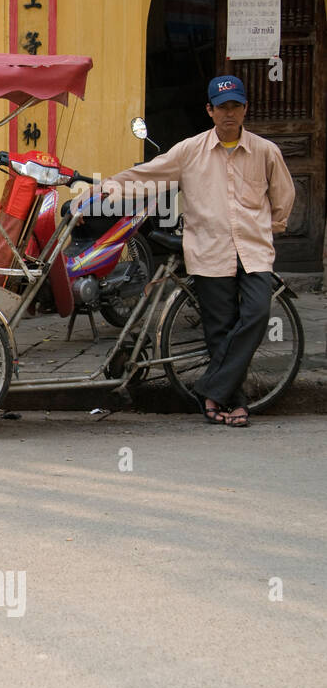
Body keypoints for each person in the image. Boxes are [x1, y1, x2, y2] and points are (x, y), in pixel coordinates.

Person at [85, 75, 294, 427]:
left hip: (254, 250)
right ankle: (231, 402)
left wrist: (272, 228)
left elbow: (283, 196)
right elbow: (148, 175)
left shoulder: (265, 151)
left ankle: (210, 388)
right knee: (219, 329)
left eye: (236, 106)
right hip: (210, 251)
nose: (230, 113)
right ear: (210, 110)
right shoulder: (189, 151)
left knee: (257, 314)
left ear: (245, 109)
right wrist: (108, 189)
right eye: (222, 107)